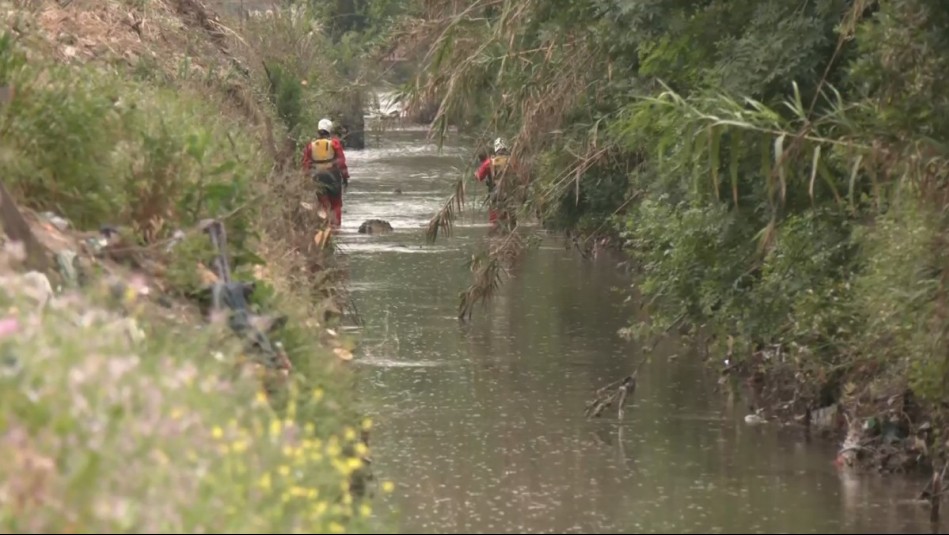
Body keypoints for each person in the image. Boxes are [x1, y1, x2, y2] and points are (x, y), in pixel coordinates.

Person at [302, 118, 350, 228]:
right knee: (336, 204)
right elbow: (341, 163)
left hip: (318, 177)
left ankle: (325, 226)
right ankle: (336, 228)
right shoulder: (334, 143)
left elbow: (305, 164)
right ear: (330, 130)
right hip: (333, 177)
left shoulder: (311, 145)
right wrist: (345, 177)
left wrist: (306, 179)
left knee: (323, 204)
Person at [474, 137, 514, 227]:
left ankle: (495, 236)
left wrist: (475, 173)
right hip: (510, 194)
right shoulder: (512, 160)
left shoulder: (490, 162)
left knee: (495, 221)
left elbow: (479, 177)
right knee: (511, 220)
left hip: (495, 194)